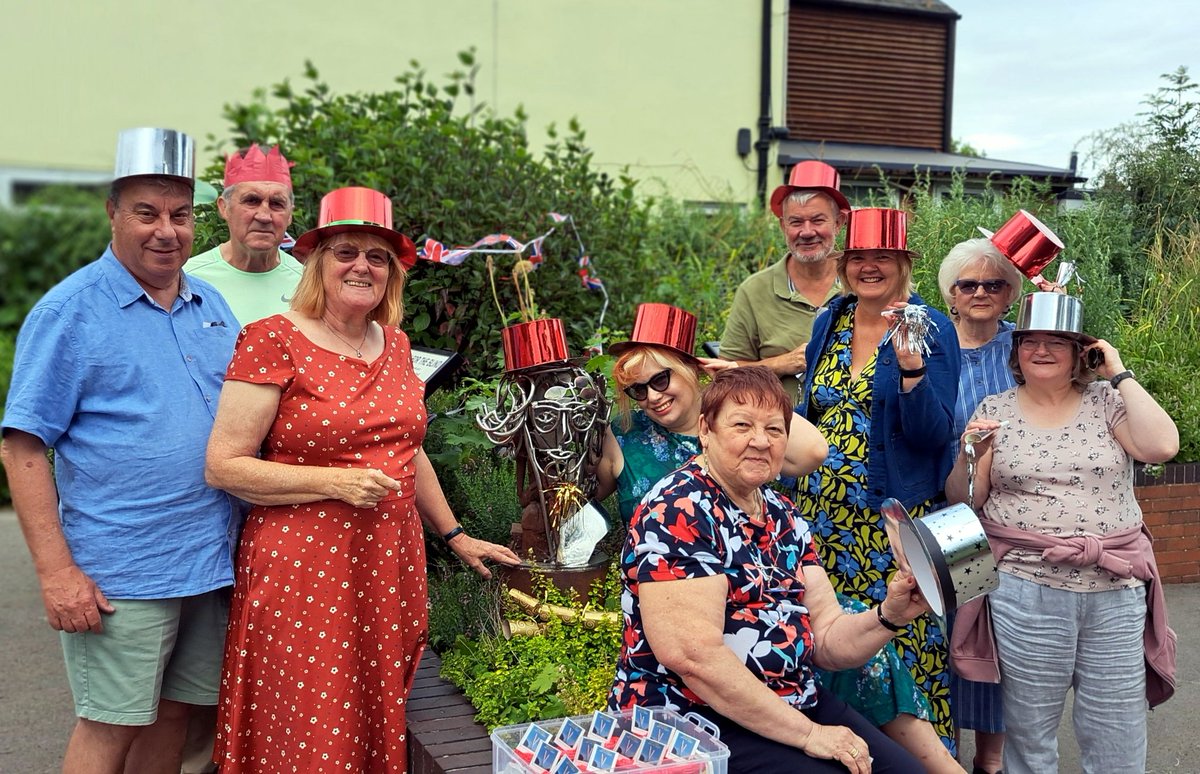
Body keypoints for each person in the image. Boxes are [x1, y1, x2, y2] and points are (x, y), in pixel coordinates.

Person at [205, 186, 520, 771]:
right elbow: (224, 465)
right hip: (305, 564)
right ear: (317, 263)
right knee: (309, 715)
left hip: (387, 557)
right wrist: (336, 483)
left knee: (373, 706)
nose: (362, 266)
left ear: (391, 274)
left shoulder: (395, 344)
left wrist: (454, 535)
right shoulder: (273, 338)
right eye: (346, 252)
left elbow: (408, 449)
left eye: (377, 257)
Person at [0, 127, 241, 773]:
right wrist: (57, 573)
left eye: (180, 215)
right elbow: (22, 450)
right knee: (109, 725)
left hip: (209, 560)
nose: (167, 231)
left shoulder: (211, 304)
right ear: (112, 213)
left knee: (175, 715)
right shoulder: (71, 312)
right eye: (146, 213)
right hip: (124, 571)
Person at [609, 366, 930, 773]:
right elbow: (694, 658)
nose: (760, 441)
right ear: (706, 431)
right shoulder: (677, 509)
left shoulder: (782, 514)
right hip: (693, 718)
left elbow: (826, 637)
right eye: (742, 425)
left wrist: (889, 616)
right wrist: (811, 735)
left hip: (790, 700)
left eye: (774, 430)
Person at [946, 293, 1178, 774]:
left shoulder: (1107, 401)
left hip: (1115, 586)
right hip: (1025, 587)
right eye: (1030, 341)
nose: (1042, 350)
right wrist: (971, 454)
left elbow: (1161, 447)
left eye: (1057, 341)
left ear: (1080, 353)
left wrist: (1118, 370)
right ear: (1016, 352)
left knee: (1117, 730)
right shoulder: (994, 408)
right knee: (1029, 732)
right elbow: (965, 500)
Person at [797, 207, 961, 752]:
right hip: (821, 520)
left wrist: (912, 371)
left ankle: (924, 761)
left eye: (882, 257)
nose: (869, 267)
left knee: (902, 646)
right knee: (832, 643)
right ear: (844, 264)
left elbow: (933, 435)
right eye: (859, 257)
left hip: (886, 521)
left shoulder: (929, 325)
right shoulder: (831, 319)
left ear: (903, 264)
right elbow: (809, 409)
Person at [596, 302, 827, 525]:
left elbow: (812, 452)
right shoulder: (626, 432)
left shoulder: (735, 421)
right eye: (639, 389)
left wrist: (740, 385)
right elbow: (588, 495)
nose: (653, 396)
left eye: (660, 380)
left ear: (691, 370)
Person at [935, 237, 1023, 774]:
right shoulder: (932, 348)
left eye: (995, 283)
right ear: (951, 293)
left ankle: (990, 760)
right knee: (951, 631)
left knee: (996, 639)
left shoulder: (1024, 346)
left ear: (1011, 293)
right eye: (968, 284)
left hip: (1010, 514)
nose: (981, 292)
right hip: (949, 515)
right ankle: (943, 753)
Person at [719, 160, 849, 401]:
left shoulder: (861, 283)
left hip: (852, 421)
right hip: (778, 422)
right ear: (783, 226)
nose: (807, 232)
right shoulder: (755, 290)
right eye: (796, 222)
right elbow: (726, 374)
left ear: (839, 223)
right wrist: (781, 364)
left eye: (818, 220)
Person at [185, 143, 302, 326]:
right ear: (224, 208)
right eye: (251, 201)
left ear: (290, 215)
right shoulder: (187, 280)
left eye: (277, 203)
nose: (264, 216)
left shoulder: (308, 284)